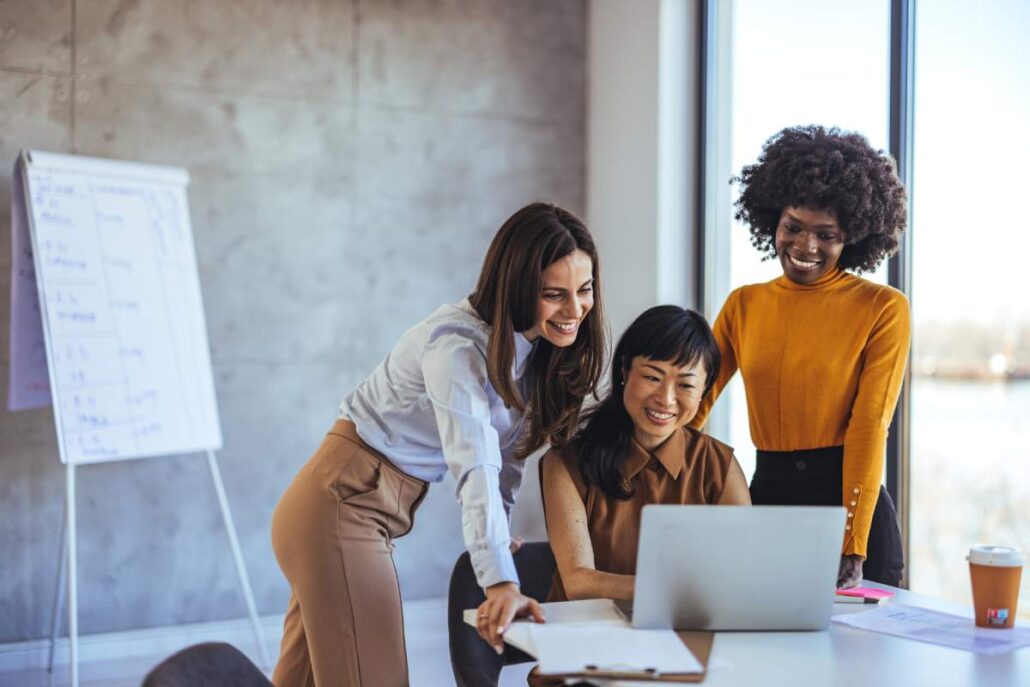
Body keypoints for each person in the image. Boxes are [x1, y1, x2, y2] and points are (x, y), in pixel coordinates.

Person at [270, 202, 607, 687]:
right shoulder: (456, 347)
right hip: (340, 507)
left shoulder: (529, 349)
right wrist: (500, 582)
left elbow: (506, 455)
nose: (574, 310)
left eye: (585, 289)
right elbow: (474, 462)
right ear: (516, 287)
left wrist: (501, 537)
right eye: (554, 295)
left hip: (348, 508)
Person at [690, 125, 910, 588]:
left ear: (851, 236)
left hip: (851, 514)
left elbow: (870, 424)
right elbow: (693, 403)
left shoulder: (883, 308)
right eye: (793, 227)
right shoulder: (743, 305)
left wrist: (853, 542)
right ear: (773, 219)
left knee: (860, 662)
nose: (805, 247)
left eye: (825, 235)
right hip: (765, 501)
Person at [538, 306, 751, 606]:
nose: (666, 398)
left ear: (704, 391)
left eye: (686, 385)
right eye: (653, 377)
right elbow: (579, 582)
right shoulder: (566, 463)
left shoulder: (718, 464)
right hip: (586, 635)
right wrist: (675, 591)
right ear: (625, 370)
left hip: (683, 636)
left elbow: (746, 569)